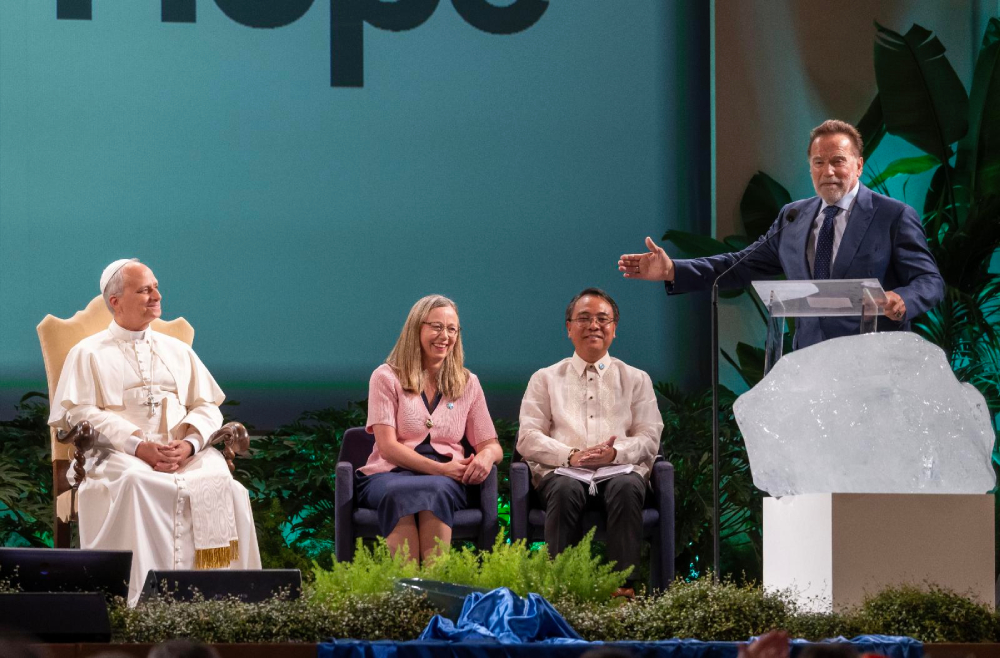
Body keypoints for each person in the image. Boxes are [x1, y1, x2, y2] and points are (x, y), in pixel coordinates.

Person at [618, 119, 945, 350]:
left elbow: (930, 281)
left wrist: (901, 299)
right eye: (818, 162)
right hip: (809, 363)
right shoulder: (793, 216)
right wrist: (673, 270)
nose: (827, 171)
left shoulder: (893, 215)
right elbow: (739, 265)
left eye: (838, 161)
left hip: (874, 365)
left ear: (858, 166)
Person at [48, 259, 261, 605]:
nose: (156, 296)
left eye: (155, 287)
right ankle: (136, 602)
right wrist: (137, 445)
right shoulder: (86, 353)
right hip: (116, 454)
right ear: (115, 301)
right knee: (137, 484)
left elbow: (207, 406)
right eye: (144, 290)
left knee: (231, 490)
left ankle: (227, 601)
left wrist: (191, 445)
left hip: (182, 455)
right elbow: (80, 412)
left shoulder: (179, 351)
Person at [516, 288, 663, 598]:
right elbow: (528, 438)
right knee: (567, 489)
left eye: (602, 319)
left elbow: (650, 438)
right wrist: (571, 456)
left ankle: (622, 588)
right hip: (563, 473)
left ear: (614, 328)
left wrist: (614, 454)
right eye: (583, 318)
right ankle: (564, 591)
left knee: (626, 485)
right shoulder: (544, 378)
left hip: (620, 472)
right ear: (569, 328)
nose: (593, 325)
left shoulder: (637, 379)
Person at [358, 294, 502, 563]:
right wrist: (441, 469)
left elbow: (492, 445)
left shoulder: (468, 383)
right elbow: (388, 447)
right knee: (400, 491)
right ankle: (408, 591)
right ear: (416, 328)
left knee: (436, 488)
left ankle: (434, 590)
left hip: (446, 480)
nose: (444, 335)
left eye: (451, 329)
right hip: (390, 474)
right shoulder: (386, 377)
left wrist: (485, 457)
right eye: (436, 327)